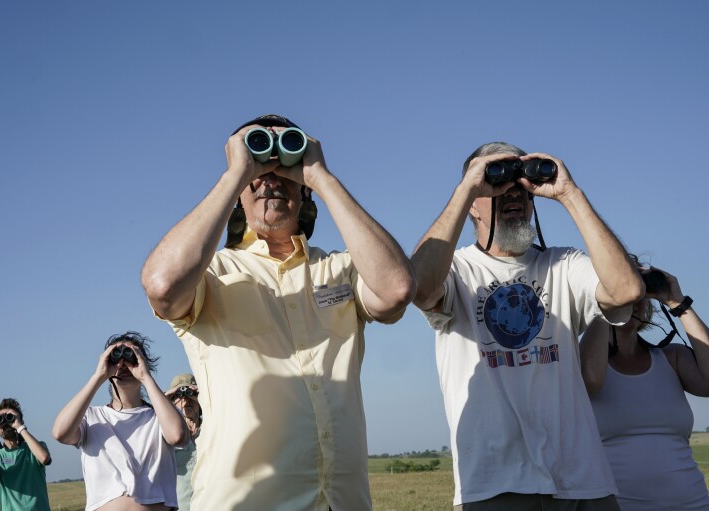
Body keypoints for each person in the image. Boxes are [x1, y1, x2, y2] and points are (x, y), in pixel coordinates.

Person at [141, 114, 416, 511]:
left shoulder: (339, 268)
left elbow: (397, 289)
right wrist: (236, 174)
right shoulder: (213, 274)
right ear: (239, 194)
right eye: (258, 165)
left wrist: (321, 176)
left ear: (303, 190)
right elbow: (162, 286)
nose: (270, 177)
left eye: (285, 163)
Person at [411, 141, 644, 510]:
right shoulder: (456, 270)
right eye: (497, 183)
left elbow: (626, 290)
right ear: (473, 201)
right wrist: (467, 190)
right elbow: (418, 287)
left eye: (520, 184)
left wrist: (570, 194)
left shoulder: (564, 264)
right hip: (492, 485)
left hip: (582, 483)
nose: (511, 191)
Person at [580, 262, 709, 510]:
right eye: (619, 292)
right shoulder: (579, 364)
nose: (628, 300)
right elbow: (589, 379)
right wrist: (605, 303)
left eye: (637, 293)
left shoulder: (671, 358)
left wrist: (677, 302)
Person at [52, 331, 188, 511]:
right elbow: (60, 433)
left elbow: (177, 436)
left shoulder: (159, 417)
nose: (123, 364)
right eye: (115, 358)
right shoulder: (92, 417)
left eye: (131, 357)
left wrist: (145, 377)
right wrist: (98, 376)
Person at [0, 398, 52, 511]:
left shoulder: (35, 448)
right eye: (1, 420)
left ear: (20, 420)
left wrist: (19, 427)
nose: (6, 424)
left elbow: (44, 458)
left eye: (10, 418)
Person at [164, 373, 201, 511]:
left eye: (190, 392)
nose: (185, 399)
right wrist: (165, 401)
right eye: (178, 395)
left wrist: (204, 395)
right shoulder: (165, 436)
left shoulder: (212, 431)